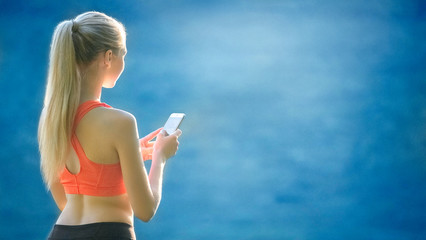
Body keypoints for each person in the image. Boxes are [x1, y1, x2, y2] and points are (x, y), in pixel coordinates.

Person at [38, 11, 182, 240]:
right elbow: (145, 210)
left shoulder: (51, 118)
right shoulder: (121, 122)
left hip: (62, 232)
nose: (124, 62)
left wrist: (124, 156)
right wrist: (160, 157)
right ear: (107, 57)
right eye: (122, 54)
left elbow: (64, 199)